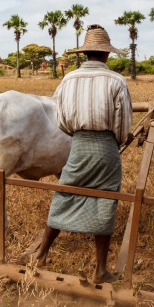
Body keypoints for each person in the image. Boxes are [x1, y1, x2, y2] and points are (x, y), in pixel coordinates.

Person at [34, 24, 133, 283]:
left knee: (65, 193)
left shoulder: (68, 80)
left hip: (78, 146)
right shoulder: (116, 81)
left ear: (85, 53)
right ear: (107, 54)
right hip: (106, 151)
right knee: (105, 201)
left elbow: (61, 119)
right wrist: (122, 138)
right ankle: (100, 270)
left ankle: (41, 254)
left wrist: (78, 135)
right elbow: (123, 125)